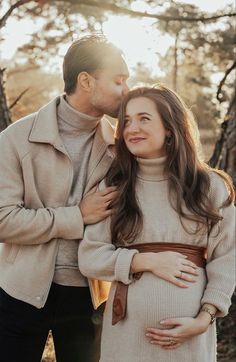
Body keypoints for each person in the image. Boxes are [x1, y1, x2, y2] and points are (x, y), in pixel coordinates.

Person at [79, 85, 235, 362]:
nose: (131, 128)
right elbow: (90, 257)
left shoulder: (209, 186)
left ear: (170, 128)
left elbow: (228, 258)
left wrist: (204, 318)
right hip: (126, 339)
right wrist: (146, 261)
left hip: (189, 339)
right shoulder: (115, 186)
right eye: (126, 120)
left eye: (144, 118)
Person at [0, 34, 130, 362]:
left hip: (90, 298)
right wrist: (77, 216)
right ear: (86, 81)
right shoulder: (16, 139)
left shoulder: (124, 148)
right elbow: (3, 220)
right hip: (18, 293)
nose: (127, 91)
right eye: (119, 81)